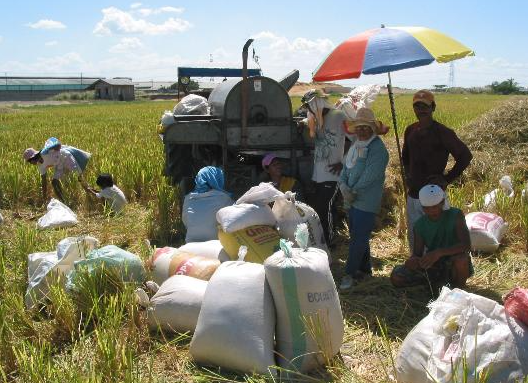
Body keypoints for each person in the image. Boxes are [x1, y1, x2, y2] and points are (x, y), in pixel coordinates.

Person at [402, 90, 472, 249]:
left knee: (439, 238)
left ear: (433, 108)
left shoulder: (443, 132)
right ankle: (419, 269)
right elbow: (405, 156)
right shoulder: (410, 130)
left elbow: (465, 156)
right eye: (417, 106)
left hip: (434, 195)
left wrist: (447, 179)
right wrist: (407, 175)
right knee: (415, 235)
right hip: (413, 194)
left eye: (425, 106)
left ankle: (440, 269)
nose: (421, 110)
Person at [338, 108, 389, 290]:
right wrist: (342, 185)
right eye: (359, 127)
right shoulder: (356, 145)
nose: (362, 130)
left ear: (373, 129)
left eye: (366, 127)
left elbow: (370, 176)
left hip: (366, 202)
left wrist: (351, 191)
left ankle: (349, 274)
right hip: (351, 199)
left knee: (358, 239)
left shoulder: (378, 150)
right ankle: (365, 270)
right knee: (358, 236)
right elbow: (345, 169)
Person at [390, 184, 472, 291]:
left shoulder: (456, 215)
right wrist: (413, 261)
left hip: (453, 263)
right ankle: (433, 284)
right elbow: (417, 254)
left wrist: (439, 252)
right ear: (422, 207)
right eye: (426, 208)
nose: (431, 211)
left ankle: (458, 290)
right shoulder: (419, 225)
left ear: (442, 203)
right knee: (396, 277)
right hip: (433, 265)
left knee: (461, 259)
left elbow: (466, 245)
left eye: (434, 207)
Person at [301, 89, 349, 245]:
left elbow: (354, 141)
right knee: (321, 207)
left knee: (324, 207)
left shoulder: (338, 116)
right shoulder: (317, 119)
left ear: (316, 103)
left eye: (309, 106)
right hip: (319, 174)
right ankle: (325, 238)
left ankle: (329, 242)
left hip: (332, 174)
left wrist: (344, 162)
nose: (308, 110)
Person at [23, 137, 91, 203]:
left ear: (33, 158)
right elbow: (44, 182)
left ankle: (91, 193)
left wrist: (54, 148)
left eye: (30, 161)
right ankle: (64, 202)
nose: (31, 163)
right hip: (59, 166)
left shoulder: (45, 152)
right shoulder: (41, 166)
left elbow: (58, 145)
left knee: (79, 178)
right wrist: (44, 198)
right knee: (54, 182)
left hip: (66, 158)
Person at [182, 166, 233, 243]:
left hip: (191, 242)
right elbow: (232, 221)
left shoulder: (188, 199)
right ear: (217, 179)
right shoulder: (223, 198)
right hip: (215, 243)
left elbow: (186, 221)